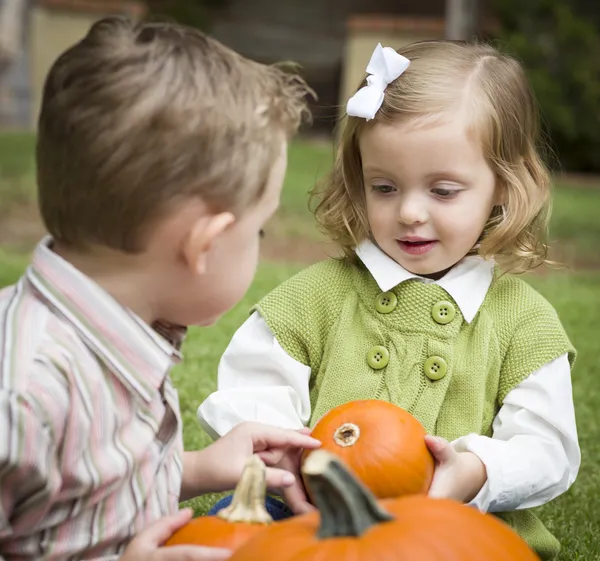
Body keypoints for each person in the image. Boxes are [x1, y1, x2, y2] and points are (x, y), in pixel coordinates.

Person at [197, 41, 580, 559]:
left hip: (460, 523)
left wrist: (478, 470)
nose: (410, 213)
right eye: (384, 187)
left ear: (504, 188)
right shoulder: (315, 297)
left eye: (443, 191)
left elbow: (546, 448)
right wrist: (287, 454)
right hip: (314, 510)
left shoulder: (524, 322)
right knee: (238, 540)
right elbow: (251, 389)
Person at [0, 15, 319, 561]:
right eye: (257, 229)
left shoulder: (122, 328)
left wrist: (196, 468)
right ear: (204, 246)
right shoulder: (24, 396)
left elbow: (81, 499)